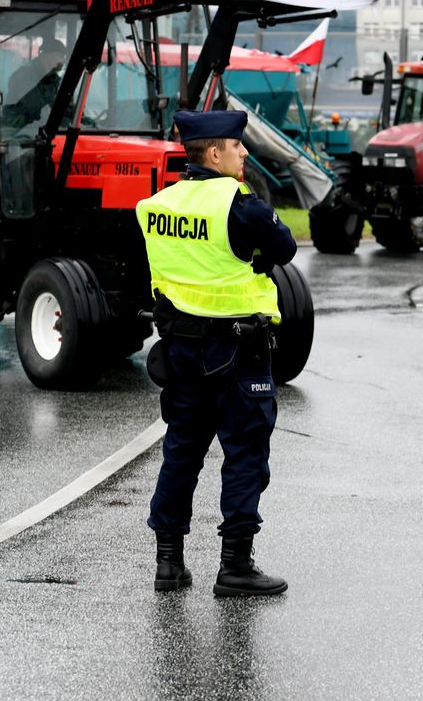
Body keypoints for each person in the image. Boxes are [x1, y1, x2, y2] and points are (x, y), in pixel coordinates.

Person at [134, 109, 297, 597]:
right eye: (236, 146)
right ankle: (235, 566)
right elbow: (284, 247)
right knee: (245, 451)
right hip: (236, 350)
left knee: (182, 451)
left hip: (180, 349)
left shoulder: (157, 205)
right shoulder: (238, 203)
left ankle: (169, 564)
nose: (244, 153)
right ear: (213, 152)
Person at [1, 37, 66, 131]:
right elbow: (36, 108)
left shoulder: (52, 78)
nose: (64, 61)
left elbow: (60, 103)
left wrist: (78, 117)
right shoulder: (25, 76)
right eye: (61, 56)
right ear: (49, 56)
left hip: (39, 128)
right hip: (16, 129)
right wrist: (62, 120)